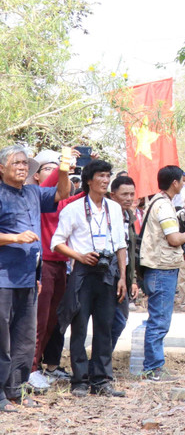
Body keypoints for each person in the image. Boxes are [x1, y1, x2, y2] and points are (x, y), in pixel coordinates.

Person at [0, 146, 71, 412]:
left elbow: (63, 193)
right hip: (3, 279)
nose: (22, 167)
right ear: (1, 169)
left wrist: (63, 168)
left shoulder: (32, 193)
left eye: (25, 164)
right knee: (2, 340)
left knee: (25, 339)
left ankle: (15, 390)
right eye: (16, 163)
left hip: (28, 279)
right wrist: (14, 238)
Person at [51, 159, 127, 398]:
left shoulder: (113, 208)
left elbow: (121, 245)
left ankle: (102, 380)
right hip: (83, 274)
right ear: (89, 180)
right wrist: (80, 256)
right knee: (80, 327)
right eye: (101, 176)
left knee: (105, 327)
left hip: (108, 273)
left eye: (108, 176)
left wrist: (123, 277)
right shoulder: (73, 209)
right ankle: (80, 381)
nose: (106, 181)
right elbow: (56, 243)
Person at [30, 149, 83, 390]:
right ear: (36, 176)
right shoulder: (36, 196)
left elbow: (77, 194)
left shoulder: (62, 202)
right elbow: (55, 182)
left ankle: (40, 365)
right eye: (46, 169)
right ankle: (29, 369)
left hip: (61, 265)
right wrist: (62, 162)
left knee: (52, 321)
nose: (53, 174)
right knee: (38, 321)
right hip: (44, 264)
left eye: (55, 168)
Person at [138, 165, 185, 380]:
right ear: (175, 183)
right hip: (162, 270)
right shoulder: (164, 206)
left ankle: (154, 367)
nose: (183, 184)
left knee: (158, 320)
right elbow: (173, 238)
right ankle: (153, 368)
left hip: (158, 268)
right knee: (159, 321)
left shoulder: (155, 202)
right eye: (182, 180)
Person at [108, 175, 139, 352]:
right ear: (113, 195)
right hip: (107, 274)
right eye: (124, 194)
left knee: (120, 320)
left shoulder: (129, 216)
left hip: (123, 275)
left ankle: (103, 361)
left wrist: (132, 279)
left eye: (131, 194)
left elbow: (130, 250)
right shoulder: (106, 216)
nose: (129, 198)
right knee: (111, 321)